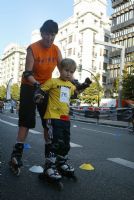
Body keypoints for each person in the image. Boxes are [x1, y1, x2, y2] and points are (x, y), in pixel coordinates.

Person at [9, 19, 62, 174]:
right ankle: (16, 155)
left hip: (46, 88)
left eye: (53, 35)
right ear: (42, 33)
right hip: (29, 86)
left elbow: (63, 68)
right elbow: (27, 72)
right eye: (47, 34)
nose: (50, 38)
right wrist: (37, 85)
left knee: (48, 122)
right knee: (26, 120)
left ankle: (49, 160)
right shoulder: (33, 48)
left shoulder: (56, 49)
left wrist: (76, 83)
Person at [34, 58, 92, 180]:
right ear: (60, 70)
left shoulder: (70, 85)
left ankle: (60, 163)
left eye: (71, 72)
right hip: (53, 117)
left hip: (65, 119)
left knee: (65, 144)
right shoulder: (53, 81)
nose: (68, 73)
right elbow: (41, 90)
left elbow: (77, 93)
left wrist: (85, 85)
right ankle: (49, 166)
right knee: (54, 142)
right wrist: (38, 96)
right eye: (66, 70)